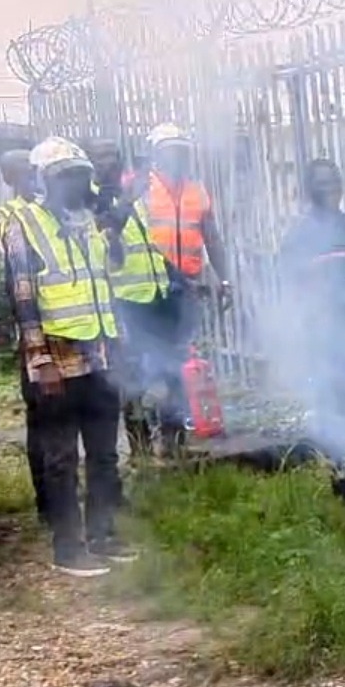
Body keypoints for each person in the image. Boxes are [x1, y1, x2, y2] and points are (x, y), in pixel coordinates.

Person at [4, 137, 133, 577]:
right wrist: (40, 361)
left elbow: (108, 279)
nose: (75, 184)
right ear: (44, 181)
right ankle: (68, 548)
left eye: (79, 176)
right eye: (65, 177)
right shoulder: (25, 224)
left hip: (100, 357)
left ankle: (103, 536)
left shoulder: (89, 222)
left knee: (104, 454)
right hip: (58, 360)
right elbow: (23, 298)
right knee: (61, 458)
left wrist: (113, 226)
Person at [276, 158, 345, 512]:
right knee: (333, 410)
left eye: (333, 181)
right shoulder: (299, 238)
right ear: (309, 191)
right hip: (324, 336)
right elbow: (291, 287)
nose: (328, 188)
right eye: (320, 182)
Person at [138, 123, 231, 453]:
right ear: (156, 154)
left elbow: (212, 236)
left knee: (179, 355)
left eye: (182, 151)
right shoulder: (142, 189)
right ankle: (151, 426)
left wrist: (224, 278)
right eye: (170, 151)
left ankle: (174, 427)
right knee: (151, 358)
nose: (177, 157)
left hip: (187, 285)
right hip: (149, 289)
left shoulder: (197, 190)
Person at [88, 137, 176, 460]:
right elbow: (108, 245)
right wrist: (125, 200)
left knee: (168, 369)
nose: (108, 161)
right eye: (100, 155)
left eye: (112, 154)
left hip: (155, 296)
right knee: (132, 379)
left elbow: (151, 243)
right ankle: (140, 451)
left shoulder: (134, 198)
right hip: (123, 303)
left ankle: (172, 442)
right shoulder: (89, 202)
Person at [0, 149, 51, 525]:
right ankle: (46, 502)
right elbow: (12, 253)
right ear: (9, 178)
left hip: (65, 327)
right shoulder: (3, 217)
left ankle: (67, 493)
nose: (31, 176)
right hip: (30, 331)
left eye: (34, 170)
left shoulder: (50, 210)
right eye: (23, 172)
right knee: (41, 418)